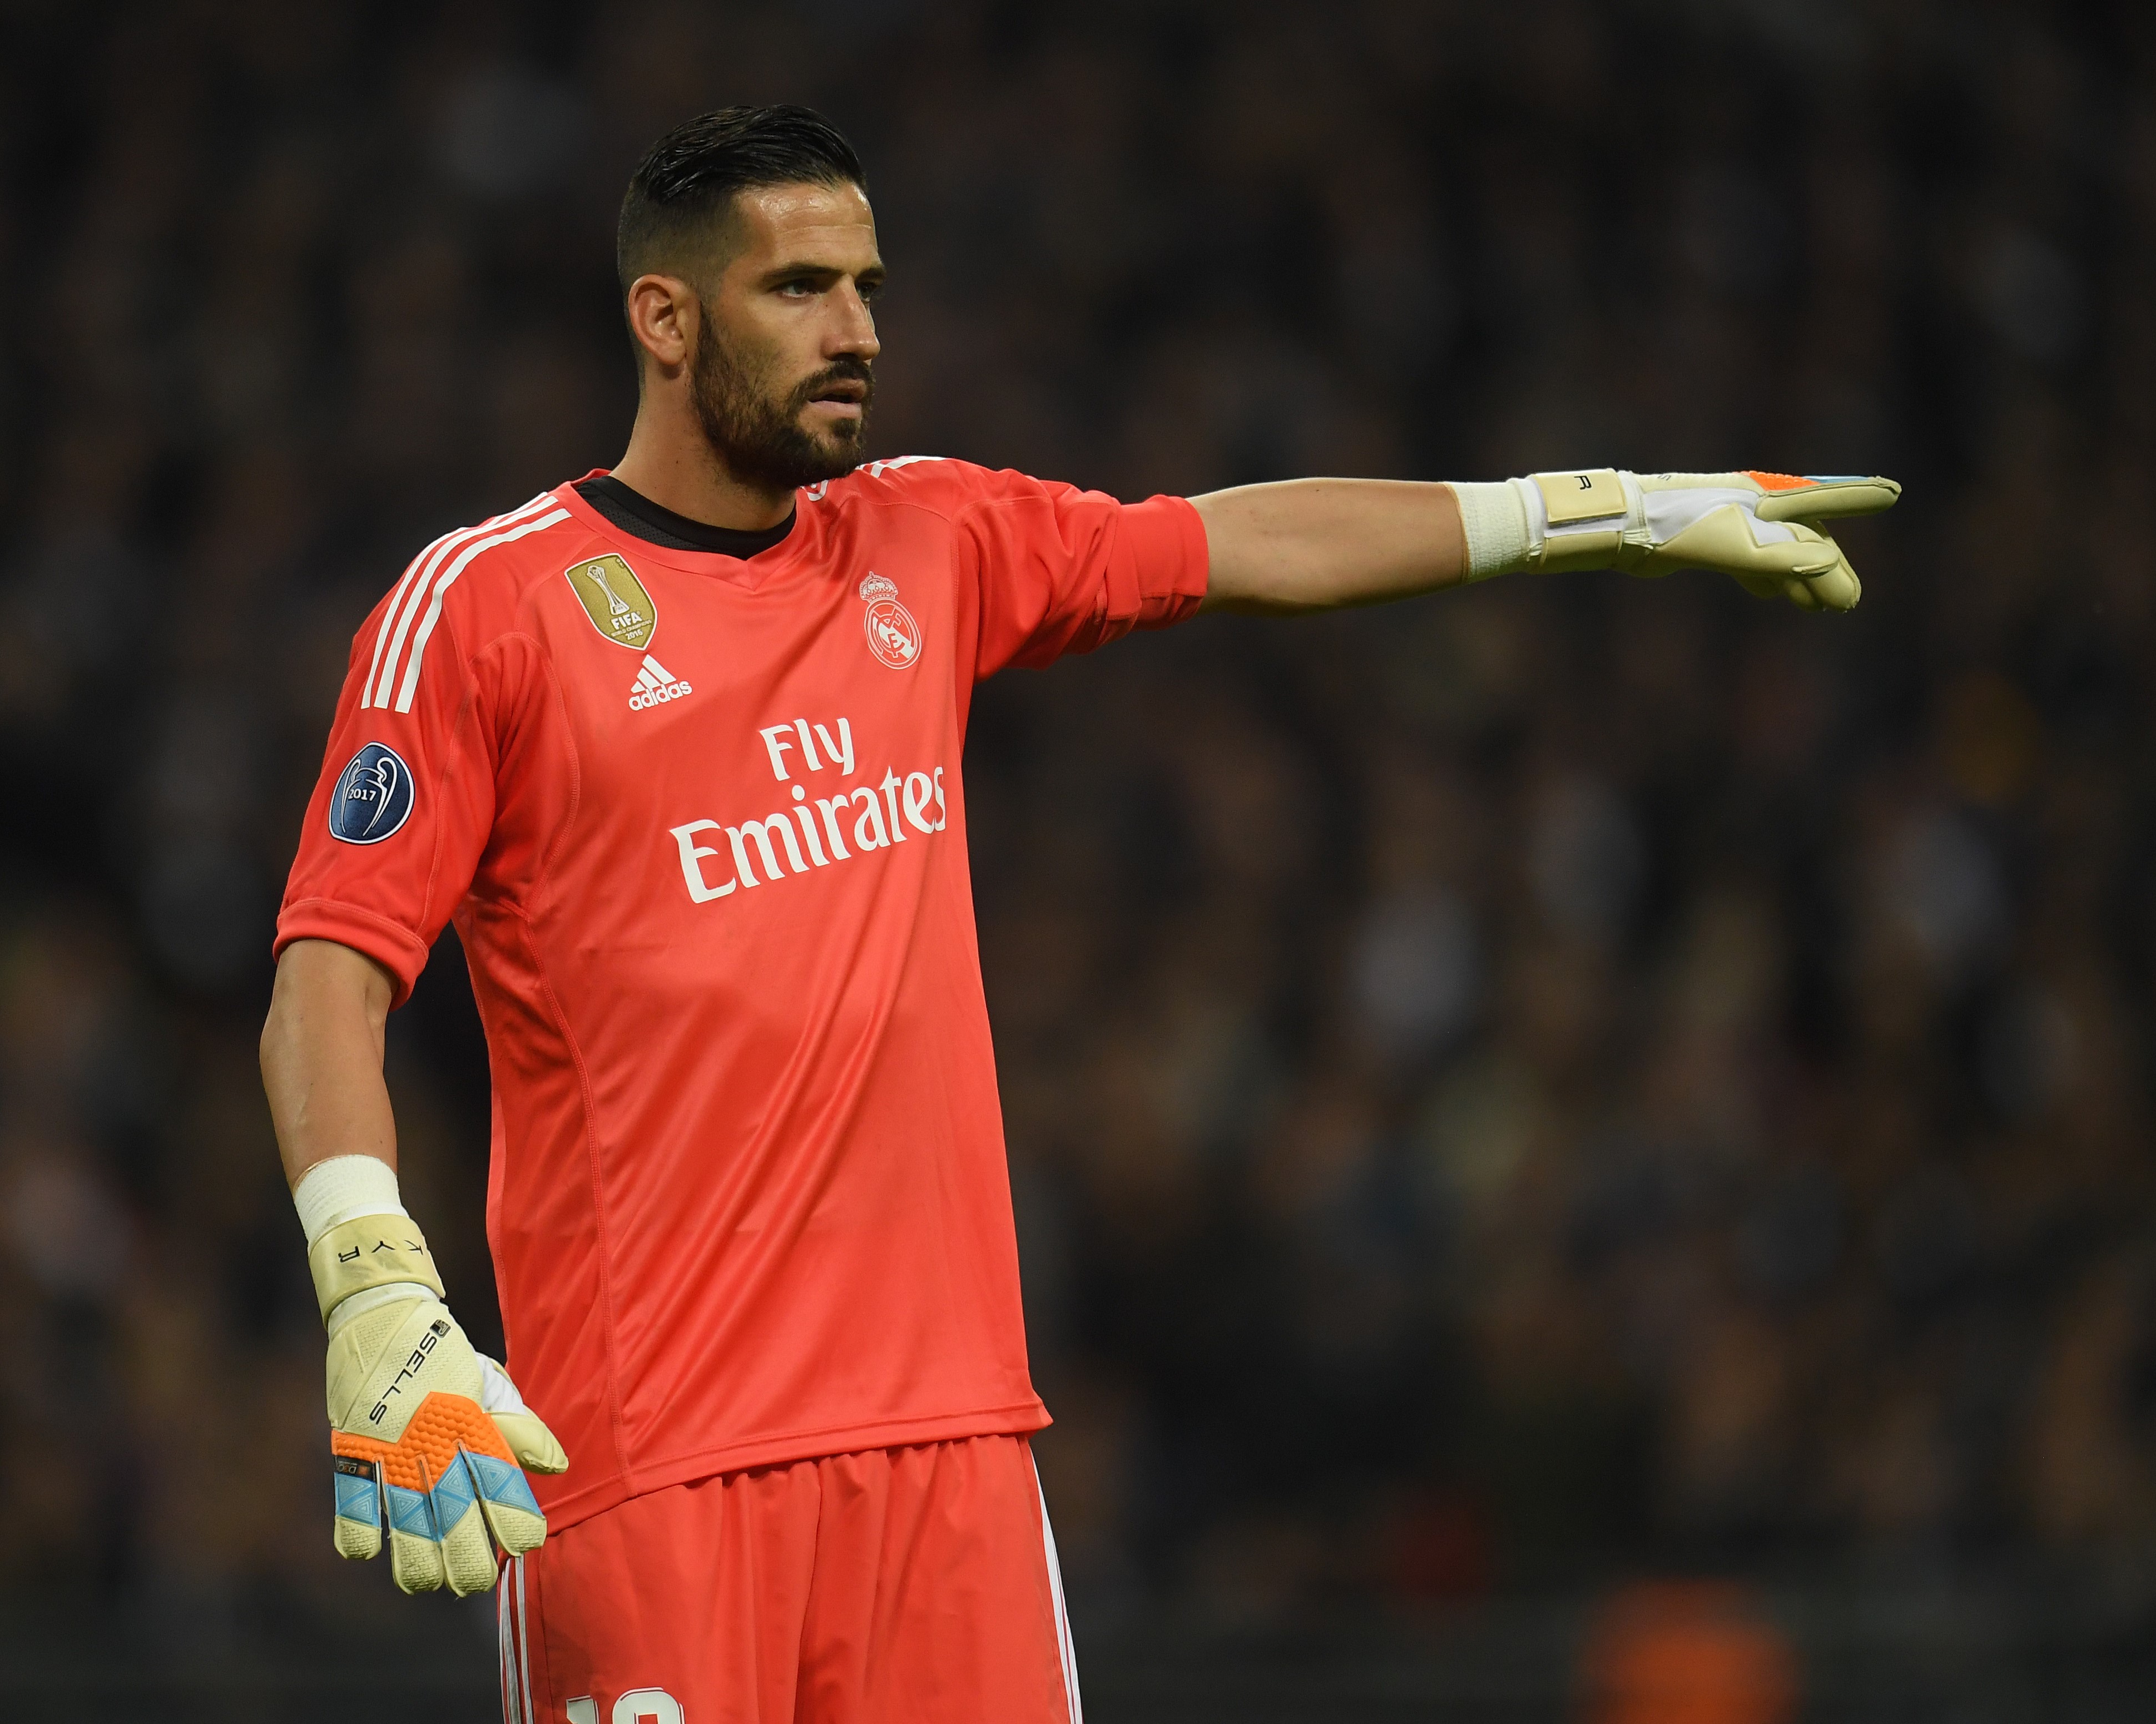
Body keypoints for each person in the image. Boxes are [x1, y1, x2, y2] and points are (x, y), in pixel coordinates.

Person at [258, 103, 1896, 1724]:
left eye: (870, 287)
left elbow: (1238, 542)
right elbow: (330, 968)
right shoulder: (487, 606)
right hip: (651, 1473)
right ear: (665, 317)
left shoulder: (925, 535)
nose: (856, 331)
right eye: (802, 289)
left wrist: (1583, 512)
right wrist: (375, 1280)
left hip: (952, 1463)